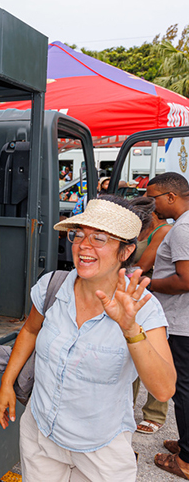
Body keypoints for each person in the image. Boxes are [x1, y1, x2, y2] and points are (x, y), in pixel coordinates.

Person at [0, 196, 175, 481]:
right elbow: (30, 331)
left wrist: (131, 330)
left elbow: (164, 390)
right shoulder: (53, 286)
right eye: (78, 234)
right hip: (40, 434)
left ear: (126, 251)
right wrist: (7, 383)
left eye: (99, 238)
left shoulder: (143, 307)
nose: (83, 245)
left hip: (101, 448)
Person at [147, 173, 189, 478]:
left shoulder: (182, 230)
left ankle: (185, 460)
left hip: (181, 323)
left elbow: (185, 280)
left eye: (154, 198)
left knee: (183, 390)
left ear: (171, 197)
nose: (152, 205)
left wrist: (149, 284)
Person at [129, 196, 172, 435]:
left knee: (154, 352)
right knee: (132, 351)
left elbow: (142, 265)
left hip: (151, 298)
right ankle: (128, 404)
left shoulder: (162, 231)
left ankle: (155, 413)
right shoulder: (140, 232)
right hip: (133, 295)